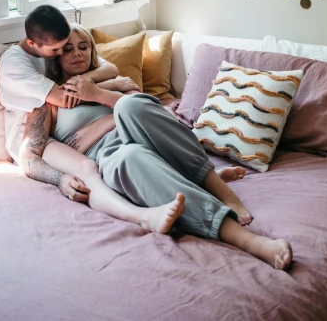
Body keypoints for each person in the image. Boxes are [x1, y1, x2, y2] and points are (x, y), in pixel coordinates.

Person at [20, 25, 293, 271]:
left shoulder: (114, 84)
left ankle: (221, 190)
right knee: (130, 155)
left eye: (84, 46)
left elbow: (157, 115)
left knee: (130, 104)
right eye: (67, 49)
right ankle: (249, 240)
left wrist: (98, 94)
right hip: (110, 157)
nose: (77, 53)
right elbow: (29, 155)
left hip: (151, 139)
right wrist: (60, 179)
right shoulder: (48, 101)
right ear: (55, 56)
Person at [0, 5, 139, 164]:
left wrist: (83, 80)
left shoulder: (51, 45)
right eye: (60, 50)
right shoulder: (14, 63)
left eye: (82, 47)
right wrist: (112, 85)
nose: (60, 53)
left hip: (70, 126)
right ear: (32, 43)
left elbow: (110, 69)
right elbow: (64, 98)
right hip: (33, 141)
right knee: (90, 168)